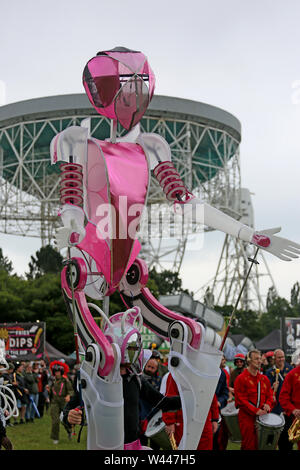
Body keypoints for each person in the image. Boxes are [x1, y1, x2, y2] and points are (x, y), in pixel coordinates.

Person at [234, 349, 274, 450]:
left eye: (260, 358)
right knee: (249, 445)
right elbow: (241, 400)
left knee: (263, 445)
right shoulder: (241, 379)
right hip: (247, 418)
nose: (260, 361)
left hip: (263, 417)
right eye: (256, 359)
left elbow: (270, 395)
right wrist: (256, 411)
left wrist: (268, 404)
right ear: (249, 361)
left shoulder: (264, 379)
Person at [266, 348, 294, 451]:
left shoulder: (290, 369)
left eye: (283, 357)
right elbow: (266, 390)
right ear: (274, 358)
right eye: (279, 357)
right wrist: (273, 387)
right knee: (272, 438)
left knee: (287, 437)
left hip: (287, 409)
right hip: (275, 408)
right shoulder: (270, 372)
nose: (281, 359)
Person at [279, 347, 300, 451]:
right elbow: (283, 397)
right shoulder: (292, 374)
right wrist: (293, 409)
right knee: (286, 444)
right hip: (295, 418)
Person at [48, 360, 73, 444]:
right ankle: (55, 438)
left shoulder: (65, 380)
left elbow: (71, 390)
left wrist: (68, 396)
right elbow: (51, 392)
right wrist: (48, 390)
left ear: (61, 372)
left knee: (65, 420)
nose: (56, 373)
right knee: (55, 420)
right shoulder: (52, 380)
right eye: (55, 372)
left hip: (63, 402)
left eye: (58, 372)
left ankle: (69, 431)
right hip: (54, 402)